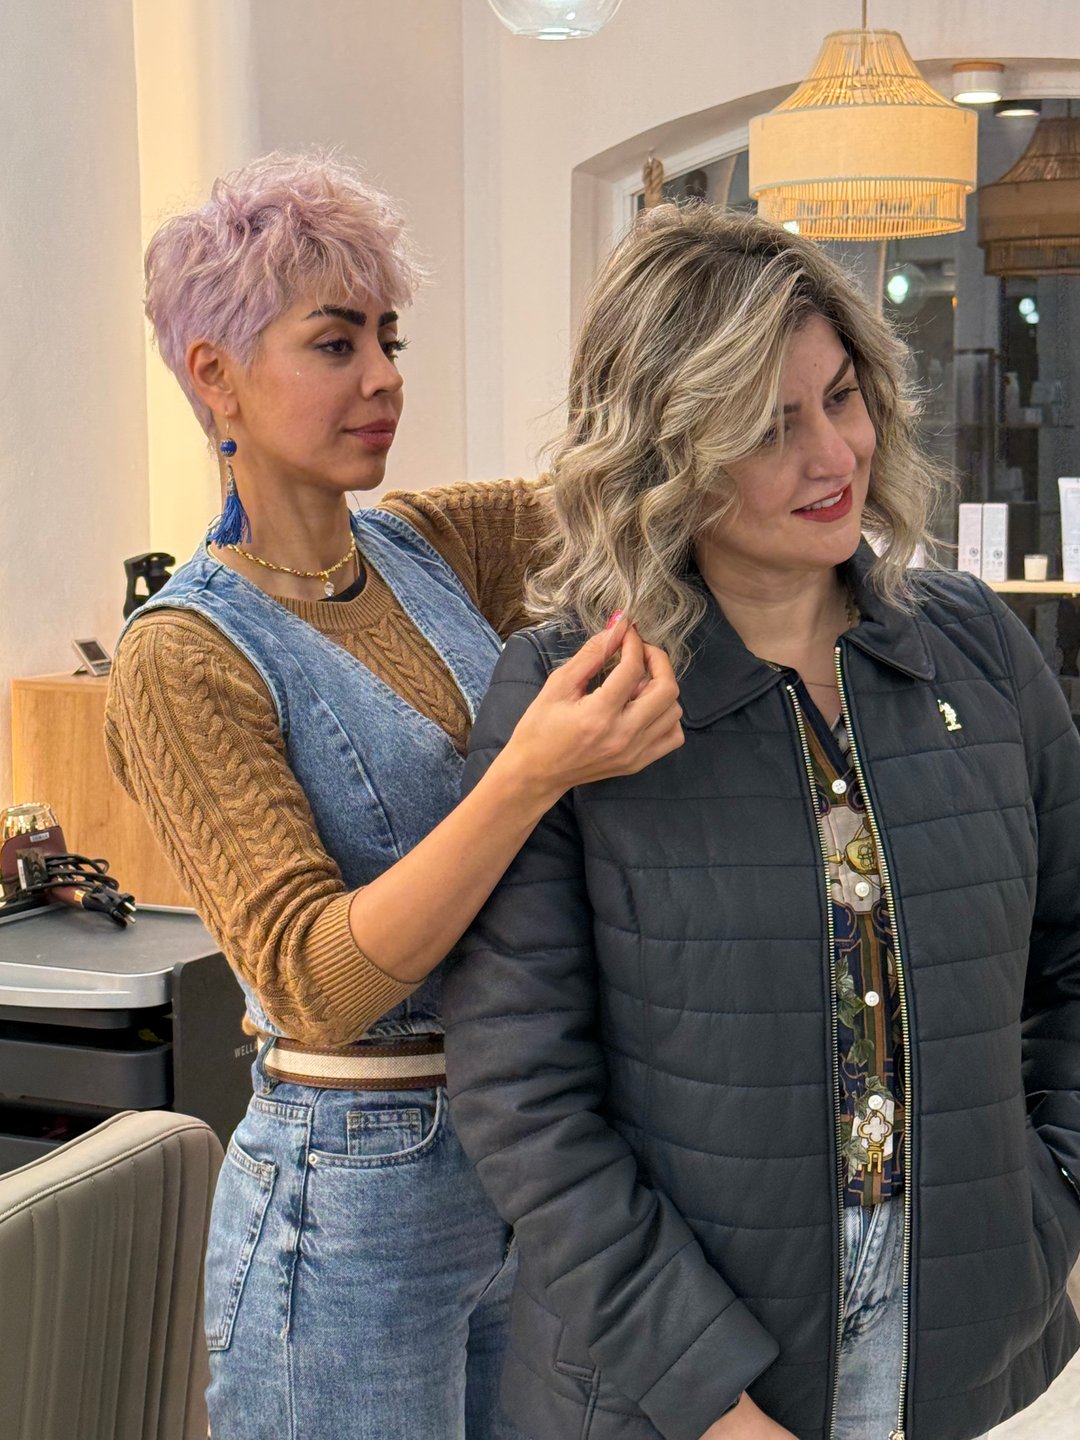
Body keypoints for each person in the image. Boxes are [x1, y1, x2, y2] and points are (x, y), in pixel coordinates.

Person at [443, 204, 1080, 1440]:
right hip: (667, 1390)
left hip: (964, 1354)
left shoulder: (976, 649)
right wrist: (715, 1405)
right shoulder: (574, 695)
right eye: (768, 426)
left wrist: (1050, 1204)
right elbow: (524, 1097)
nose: (833, 454)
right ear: (665, 454)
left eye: (841, 397)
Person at [104, 152, 683, 1439]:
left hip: (515, 1154)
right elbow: (315, 979)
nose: (383, 377)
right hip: (345, 1206)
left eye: (388, 337)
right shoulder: (183, 656)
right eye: (335, 343)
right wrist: (532, 771)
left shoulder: (428, 546)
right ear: (215, 375)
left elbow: (630, 490)